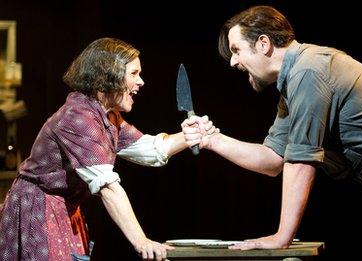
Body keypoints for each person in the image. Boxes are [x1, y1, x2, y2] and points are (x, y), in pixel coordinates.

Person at [183, 5, 362, 261]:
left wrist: (282, 237)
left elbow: (301, 162)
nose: (233, 62)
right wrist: (212, 140)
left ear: (263, 44)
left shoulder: (308, 71)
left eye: (236, 49)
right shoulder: (294, 85)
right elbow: (273, 160)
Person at [0, 37, 216, 261]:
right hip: (37, 209)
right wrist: (141, 241)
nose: (141, 82)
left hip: (63, 210)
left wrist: (188, 136)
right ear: (107, 75)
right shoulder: (78, 117)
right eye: (133, 74)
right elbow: (108, 187)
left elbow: (149, 149)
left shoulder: (106, 116)